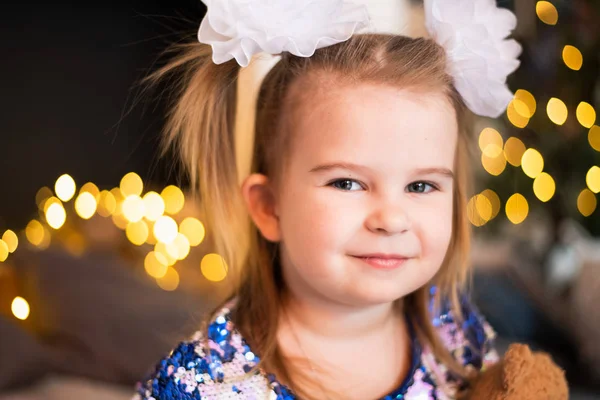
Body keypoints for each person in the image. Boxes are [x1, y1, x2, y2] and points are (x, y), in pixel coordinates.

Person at [133, 0, 521, 398]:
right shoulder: (205, 383)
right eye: (347, 183)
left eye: (421, 186)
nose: (391, 219)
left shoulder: (453, 331)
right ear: (269, 206)